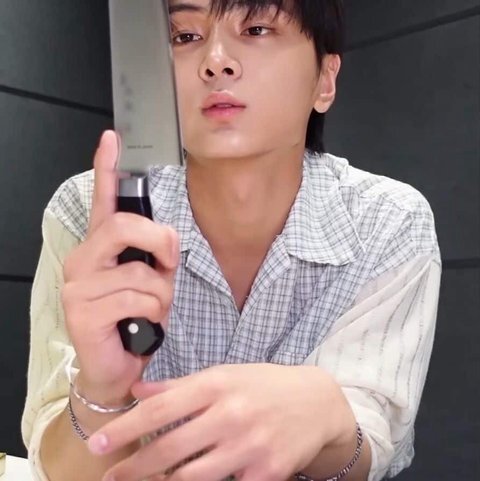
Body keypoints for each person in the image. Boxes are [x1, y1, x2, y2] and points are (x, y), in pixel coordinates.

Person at [21, 1, 442, 480]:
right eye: (185, 36)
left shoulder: (388, 223)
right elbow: (57, 467)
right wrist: (101, 392)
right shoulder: (90, 215)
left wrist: (330, 420)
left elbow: (370, 450)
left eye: (257, 28)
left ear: (324, 81)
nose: (215, 61)